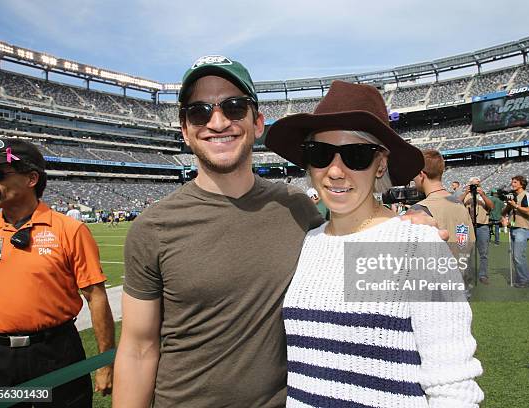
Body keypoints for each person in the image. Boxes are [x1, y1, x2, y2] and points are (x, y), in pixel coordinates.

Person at [113, 56, 448, 408]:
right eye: (199, 111)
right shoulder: (152, 227)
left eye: (233, 106)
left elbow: (353, 238)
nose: (217, 121)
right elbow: (138, 349)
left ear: (257, 122)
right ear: (184, 128)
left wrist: (408, 227)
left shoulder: (297, 208)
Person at [265, 80, 483, 407]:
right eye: (320, 153)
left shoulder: (418, 245)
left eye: (356, 155)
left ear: (381, 163)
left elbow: (453, 385)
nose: (335, 171)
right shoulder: (307, 242)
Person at [0, 138, 115, 406]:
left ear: (32, 179)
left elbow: (96, 297)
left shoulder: (70, 230)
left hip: (56, 354)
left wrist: (105, 363)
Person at [410, 149, 475, 257]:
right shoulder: (459, 204)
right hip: (462, 269)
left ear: (421, 174)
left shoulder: (418, 210)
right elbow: (470, 243)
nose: (413, 178)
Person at [501, 175, 529, 288]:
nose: (512, 184)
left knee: (518, 256)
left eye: (515, 182)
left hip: (523, 228)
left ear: (522, 184)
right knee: (514, 256)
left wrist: (515, 205)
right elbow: (504, 212)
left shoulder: (526, 194)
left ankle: (524, 280)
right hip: (514, 227)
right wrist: (508, 209)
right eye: (512, 182)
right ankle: (520, 278)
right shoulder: (513, 196)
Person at [460, 177, 493, 284]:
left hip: (482, 226)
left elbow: (491, 206)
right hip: (468, 226)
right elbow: (456, 204)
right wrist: (466, 193)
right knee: (466, 252)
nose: (476, 187)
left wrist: (482, 194)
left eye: (477, 184)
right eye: (473, 185)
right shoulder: (465, 195)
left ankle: (483, 275)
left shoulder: (483, 195)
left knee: (483, 253)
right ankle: (467, 274)